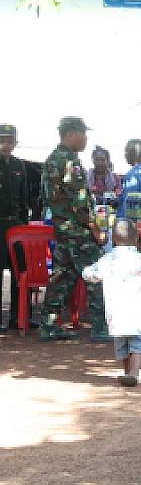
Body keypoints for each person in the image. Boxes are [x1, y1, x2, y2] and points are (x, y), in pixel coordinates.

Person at [39, 117, 108, 342]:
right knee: (97, 274)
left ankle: (48, 326)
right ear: (71, 134)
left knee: (61, 278)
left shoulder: (52, 159)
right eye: (83, 134)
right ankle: (100, 327)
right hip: (78, 233)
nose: (86, 139)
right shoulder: (70, 162)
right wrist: (95, 230)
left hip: (62, 230)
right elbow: (80, 203)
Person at [82, 220, 141, 386]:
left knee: (122, 342)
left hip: (117, 310)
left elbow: (91, 274)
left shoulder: (108, 259)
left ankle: (128, 372)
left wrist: (84, 271)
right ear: (137, 239)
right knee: (137, 341)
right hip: (138, 308)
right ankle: (134, 373)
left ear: (113, 238)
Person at [0, 123, 30, 331]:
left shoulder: (20, 166)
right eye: (2, 139)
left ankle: (18, 318)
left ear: (16, 142)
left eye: (10, 140)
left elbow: (25, 197)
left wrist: (24, 225)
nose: (6, 144)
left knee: (20, 272)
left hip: (16, 225)